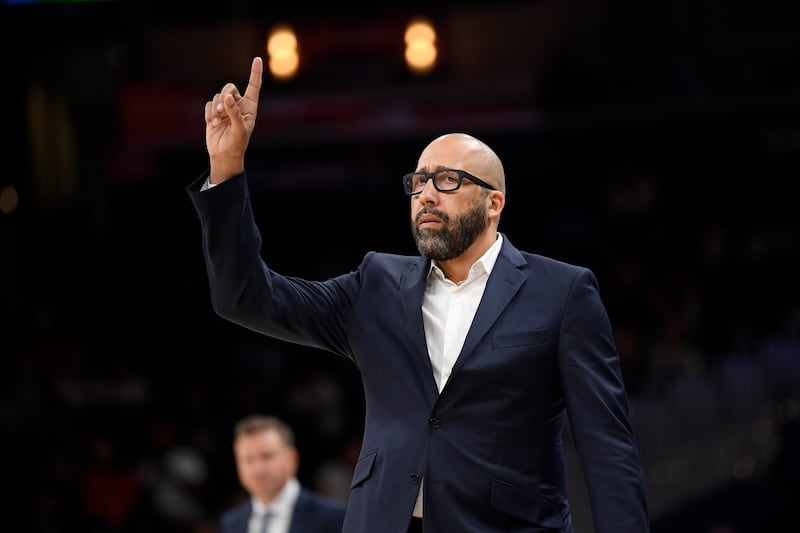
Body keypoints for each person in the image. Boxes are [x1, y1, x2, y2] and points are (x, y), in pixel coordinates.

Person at [188, 56, 650, 533]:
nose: (427, 194)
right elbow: (244, 297)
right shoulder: (376, 284)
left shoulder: (563, 292)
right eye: (419, 181)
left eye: (448, 180)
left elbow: (607, 447)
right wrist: (227, 167)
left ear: (494, 203)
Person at [218, 414, 346, 533]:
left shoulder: (333, 518)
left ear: (292, 459)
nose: (258, 469)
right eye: (248, 460)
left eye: (267, 456)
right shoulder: (230, 524)